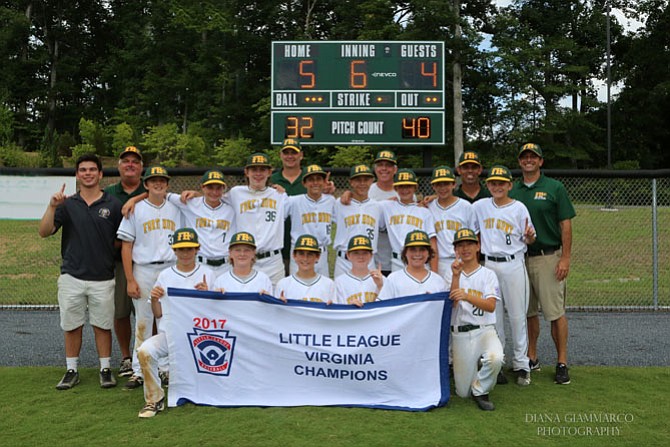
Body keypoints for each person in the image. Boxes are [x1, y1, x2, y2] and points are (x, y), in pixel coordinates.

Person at [38, 154, 122, 390]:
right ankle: (71, 370)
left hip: (102, 277)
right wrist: (52, 206)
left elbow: (120, 239)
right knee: (72, 325)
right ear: (77, 174)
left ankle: (105, 369)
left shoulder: (112, 205)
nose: (87, 173)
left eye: (92, 169)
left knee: (102, 325)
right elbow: (44, 232)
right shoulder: (67, 203)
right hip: (72, 276)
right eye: (83, 170)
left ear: (100, 174)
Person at [510, 143, 576, 385]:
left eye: (533, 157)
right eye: (524, 157)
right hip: (520, 258)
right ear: (519, 162)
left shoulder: (554, 187)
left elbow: (565, 224)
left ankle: (561, 362)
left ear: (541, 161)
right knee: (528, 312)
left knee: (555, 313)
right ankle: (532, 357)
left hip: (549, 256)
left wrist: (565, 257)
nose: (528, 160)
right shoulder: (512, 189)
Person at [116, 166, 181, 390]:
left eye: (162, 180)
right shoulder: (135, 209)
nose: (158, 184)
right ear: (146, 184)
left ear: (167, 183)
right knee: (143, 322)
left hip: (171, 268)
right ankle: (138, 370)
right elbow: (126, 245)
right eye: (153, 180)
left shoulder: (176, 207)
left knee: (167, 320)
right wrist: (130, 279)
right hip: (143, 268)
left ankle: (165, 368)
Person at [137, 228, 212, 418]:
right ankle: (154, 399)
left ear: (197, 249)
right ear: (174, 250)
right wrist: (154, 299)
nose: (185, 253)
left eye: (189, 248)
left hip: (200, 336)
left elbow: (215, 315)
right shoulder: (165, 275)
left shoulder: (208, 273)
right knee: (145, 351)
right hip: (171, 334)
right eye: (181, 249)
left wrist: (207, 295)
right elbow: (158, 313)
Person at [473, 165, 536, 387]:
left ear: (510, 185)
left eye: (501, 183)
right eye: (493, 183)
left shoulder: (519, 208)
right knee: (494, 318)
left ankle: (522, 365)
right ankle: (497, 363)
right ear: (487, 185)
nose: (497, 186)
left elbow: (530, 238)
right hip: (489, 264)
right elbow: (471, 232)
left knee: (518, 316)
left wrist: (529, 237)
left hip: (513, 263)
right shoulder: (480, 206)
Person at [128, 169, 236, 279]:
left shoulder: (232, 208)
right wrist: (133, 200)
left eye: (218, 188)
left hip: (226, 266)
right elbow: (160, 193)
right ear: (202, 187)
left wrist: (196, 193)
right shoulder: (189, 203)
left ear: (224, 188)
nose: (214, 192)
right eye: (210, 187)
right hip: (200, 264)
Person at [449, 227, 504, 411]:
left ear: (478, 246)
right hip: (461, 333)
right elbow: (452, 306)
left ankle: (481, 390)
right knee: (462, 392)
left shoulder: (488, 274)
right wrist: (455, 277)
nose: (465, 249)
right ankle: (474, 373)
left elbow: (490, 305)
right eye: (460, 245)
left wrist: (467, 295)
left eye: (469, 244)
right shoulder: (451, 272)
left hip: (484, 330)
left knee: (496, 358)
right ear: (456, 250)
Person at [104, 146, 146, 378]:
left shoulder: (150, 187)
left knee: (151, 311)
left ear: (141, 167)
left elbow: (160, 194)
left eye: (135, 161)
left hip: (149, 260)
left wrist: (139, 196)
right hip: (119, 260)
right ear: (119, 166)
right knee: (120, 312)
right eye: (126, 161)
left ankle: (149, 354)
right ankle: (126, 357)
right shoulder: (109, 193)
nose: (130, 164)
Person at [227, 153, 288, 285]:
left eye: (262, 169)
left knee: (275, 301)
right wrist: (196, 194)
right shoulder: (235, 193)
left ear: (269, 172)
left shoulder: (279, 195)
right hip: (246, 259)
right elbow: (212, 200)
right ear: (246, 172)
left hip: (273, 261)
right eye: (254, 169)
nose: (258, 173)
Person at [380, 169, 438, 273]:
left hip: (421, 261)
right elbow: (364, 203)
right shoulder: (386, 206)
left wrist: (434, 272)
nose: (405, 190)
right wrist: (349, 194)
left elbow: (432, 243)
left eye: (409, 186)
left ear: (415, 187)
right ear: (395, 188)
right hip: (397, 262)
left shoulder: (424, 211)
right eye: (401, 186)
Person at [427, 165, 476, 287]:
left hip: (462, 260)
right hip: (438, 262)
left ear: (453, 184)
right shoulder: (428, 207)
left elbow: (475, 238)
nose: (442, 188)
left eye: (446, 184)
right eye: (438, 184)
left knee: (462, 301)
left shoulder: (466, 206)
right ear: (433, 186)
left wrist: (473, 264)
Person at [332, 164, 383, 278]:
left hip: (368, 260)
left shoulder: (378, 206)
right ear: (351, 182)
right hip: (343, 260)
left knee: (371, 294)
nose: (362, 183)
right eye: (358, 180)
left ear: (371, 181)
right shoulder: (339, 203)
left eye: (366, 180)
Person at [286, 164, 335, 276]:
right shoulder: (294, 201)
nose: (315, 183)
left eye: (319, 179)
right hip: (300, 253)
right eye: (311, 180)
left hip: (322, 253)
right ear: (304, 183)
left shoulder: (331, 201)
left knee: (322, 289)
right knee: (297, 288)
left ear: (324, 182)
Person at [377, 230, 447, 299]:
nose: (417, 254)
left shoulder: (438, 281)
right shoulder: (393, 279)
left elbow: (446, 307)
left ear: (429, 253)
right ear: (405, 253)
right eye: (413, 249)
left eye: (422, 249)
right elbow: (381, 307)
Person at [274, 234, 336, 303]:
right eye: (301, 254)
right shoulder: (283, 284)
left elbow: (336, 312)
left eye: (310, 254)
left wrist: (331, 308)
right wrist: (280, 307)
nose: (305, 259)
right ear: (294, 255)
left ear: (317, 257)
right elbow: (275, 312)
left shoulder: (328, 284)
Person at [368, 150, 399, 275]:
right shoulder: (368, 191)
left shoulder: (404, 191)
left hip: (398, 260)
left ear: (395, 169)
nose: (384, 169)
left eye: (388, 165)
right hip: (373, 258)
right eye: (380, 165)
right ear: (375, 169)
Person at [334, 235, 384, 306]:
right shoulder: (339, 282)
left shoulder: (381, 279)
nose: (360, 257)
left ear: (371, 255)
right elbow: (336, 311)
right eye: (356, 253)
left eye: (365, 253)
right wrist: (348, 307)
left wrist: (380, 286)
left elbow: (388, 308)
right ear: (348, 255)